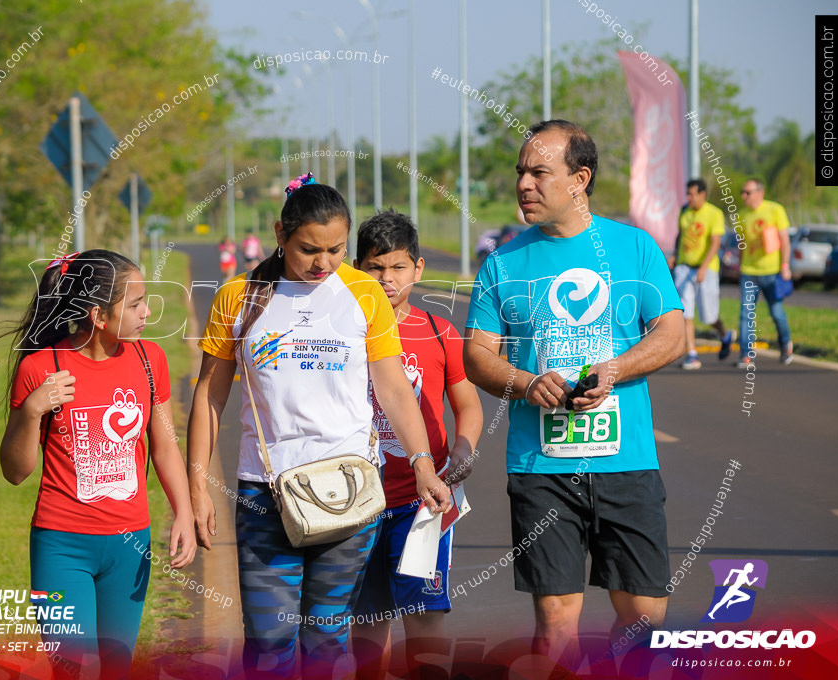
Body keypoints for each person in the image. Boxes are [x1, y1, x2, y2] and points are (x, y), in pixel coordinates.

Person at [187, 177, 452, 680]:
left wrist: (422, 465)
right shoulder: (239, 296)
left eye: (335, 249)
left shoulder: (364, 294)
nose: (322, 263)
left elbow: (394, 389)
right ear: (280, 234)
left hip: (348, 490)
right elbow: (209, 393)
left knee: (327, 639)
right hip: (265, 495)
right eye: (309, 249)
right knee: (268, 641)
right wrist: (197, 485)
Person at [463, 120, 685, 668]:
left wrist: (614, 370)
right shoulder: (503, 263)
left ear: (579, 178)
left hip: (626, 461)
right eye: (521, 173)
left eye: (540, 172)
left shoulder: (634, 249)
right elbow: (477, 356)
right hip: (542, 467)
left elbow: (673, 333)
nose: (524, 185)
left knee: (643, 613)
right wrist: (526, 382)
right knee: (557, 617)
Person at [0, 249, 196, 679]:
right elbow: (15, 472)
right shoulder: (41, 367)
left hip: (130, 545)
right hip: (61, 546)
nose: (147, 312)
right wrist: (32, 411)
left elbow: (164, 446)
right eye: (137, 303)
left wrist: (184, 512)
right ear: (99, 316)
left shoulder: (149, 361)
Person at [351, 210, 483, 679]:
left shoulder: (438, 332)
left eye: (398, 267)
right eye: (375, 267)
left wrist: (463, 450)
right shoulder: (345, 332)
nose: (387, 279)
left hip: (423, 505)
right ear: (356, 268)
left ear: (419, 269)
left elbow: (467, 404)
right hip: (356, 505)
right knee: (367, 631)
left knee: (425, 624)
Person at [673, 179, 735, 369]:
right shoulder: (685, 211)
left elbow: (715, 243)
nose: (688, 198)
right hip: (684, 267)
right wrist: (675, 256)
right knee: (685, 312)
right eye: (687, 194)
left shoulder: (713, 213)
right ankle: (692, 354)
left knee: (709, 316)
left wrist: (704, 267)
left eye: (692, 194)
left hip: (706, 268)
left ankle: (725, 335)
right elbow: (681, 235)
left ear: (702, 194)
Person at [737, 178, 793, 367]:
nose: (744, 196)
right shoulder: (741, 214)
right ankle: (746, 353)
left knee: (776, 312)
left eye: (748, 192)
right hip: (749, 271)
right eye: (742, 193)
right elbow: (741, 245)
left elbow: (784, 240)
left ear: (760, 193)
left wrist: (785, 266)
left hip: (772, 271)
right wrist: (739, 265)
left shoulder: (775, 210)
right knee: (746, 313)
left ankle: (786, 344)